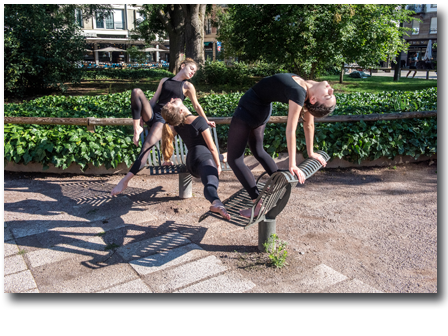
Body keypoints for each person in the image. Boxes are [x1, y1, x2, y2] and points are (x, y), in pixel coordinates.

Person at [226, 73, 336, 217]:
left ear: (314, 99)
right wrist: (311, 152)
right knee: (258, 150)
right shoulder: (308, 91)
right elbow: (308, 124)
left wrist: (292, 164)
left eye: (328, 96)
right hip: (261, 109)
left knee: (234, 160)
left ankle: (257, 205)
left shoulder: (300, 93)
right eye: (331, 94)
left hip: (249, 109)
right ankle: (278, 183)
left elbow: (291, 129)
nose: (331, 90)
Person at [111, 58, 216, 196]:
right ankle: (137, 127)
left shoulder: (187, 86)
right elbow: (154, 100)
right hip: (153, 114)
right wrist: (144, 116)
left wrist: (206, 120)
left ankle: (125, 180)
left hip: (163, 120)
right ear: (182, 66)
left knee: (146, 147)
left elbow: (196, 106)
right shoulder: (164, 80)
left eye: (195, 72)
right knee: (136, 91)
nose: (193, 73)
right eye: (191, 69)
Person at [160, 98, 231, 220]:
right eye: (172, 102)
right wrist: (218, 166)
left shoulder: (178, 124)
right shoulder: (199, 121)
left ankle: (224, 156)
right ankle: (216, 203)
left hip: (191, 162)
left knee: (218, 159)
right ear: (181, 110)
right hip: (204, 158)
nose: (172, 99)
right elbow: (212, 147)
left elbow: (167, 139)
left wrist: (167, 158)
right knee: (211, 181)